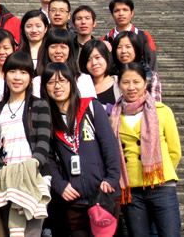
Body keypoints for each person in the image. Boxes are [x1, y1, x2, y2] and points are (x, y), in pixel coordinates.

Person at [41, 62, 121, 237]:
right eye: (51, 82)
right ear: (45, 87)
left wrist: (112, 178)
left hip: (103, 193)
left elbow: (109, 144)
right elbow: (47, 158)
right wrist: (60, 185)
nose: (57, 86)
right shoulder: (48, 118)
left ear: (71, 83)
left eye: (62, 81)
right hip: (75, 199)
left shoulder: (91, 106)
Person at [110, 62, 181, 237]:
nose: (131, 87)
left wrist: (157, 171)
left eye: (136, 82)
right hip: (132, 190)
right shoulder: (114, 117)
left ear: (145, 82)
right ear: (119, 85)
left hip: (161, 186)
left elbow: (174, 151)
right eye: (126, 82)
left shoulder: (162, 111)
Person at [0, 51, 52, 235]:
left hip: (35, 176)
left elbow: (43, 142)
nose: (17, 77)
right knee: (12, 231)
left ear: (30, 77)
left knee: (32, 232)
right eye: (12, 71)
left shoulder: (39, 105)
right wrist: (0, 169)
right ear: (5, 74)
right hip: (7, 179)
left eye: (24, 72)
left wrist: (32, 165)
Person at [33, 29, 95, 99]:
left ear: (70, 50)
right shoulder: (38, 81)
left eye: (63, 47)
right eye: (53, 47)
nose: (58, 51)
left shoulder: (83, 79)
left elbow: (90, 104)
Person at [103, 0, 157, 72]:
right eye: (116, 11)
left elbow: (152, 63)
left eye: (125, 10)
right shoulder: (106, 40)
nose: (121, 14)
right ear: (112, 14)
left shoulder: (144, 36)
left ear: (132, 13)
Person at [112, 31, 162, 102]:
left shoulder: (151, 76)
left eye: (128, 47)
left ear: (136, 49)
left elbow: (155, 104)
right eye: (119, 47)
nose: (123, 51)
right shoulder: (109, 76)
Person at [79, 40, 120, 113]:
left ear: (106, 57)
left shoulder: (120, 84)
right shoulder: (82, 88)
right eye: (88, 60)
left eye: (97, 57)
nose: (94, 63)